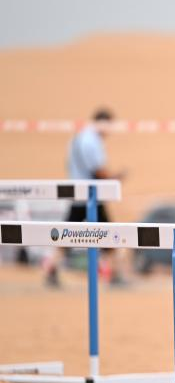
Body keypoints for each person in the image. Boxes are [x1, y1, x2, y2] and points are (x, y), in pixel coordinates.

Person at [43, 107, 126, 287]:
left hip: (80, 194)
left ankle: (51, 270)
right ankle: (116, 274)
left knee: (67, 235)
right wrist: (115, 179)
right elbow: (98, 170)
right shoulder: (91, 141)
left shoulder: (78, 138)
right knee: (109, 235)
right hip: (91, 197)